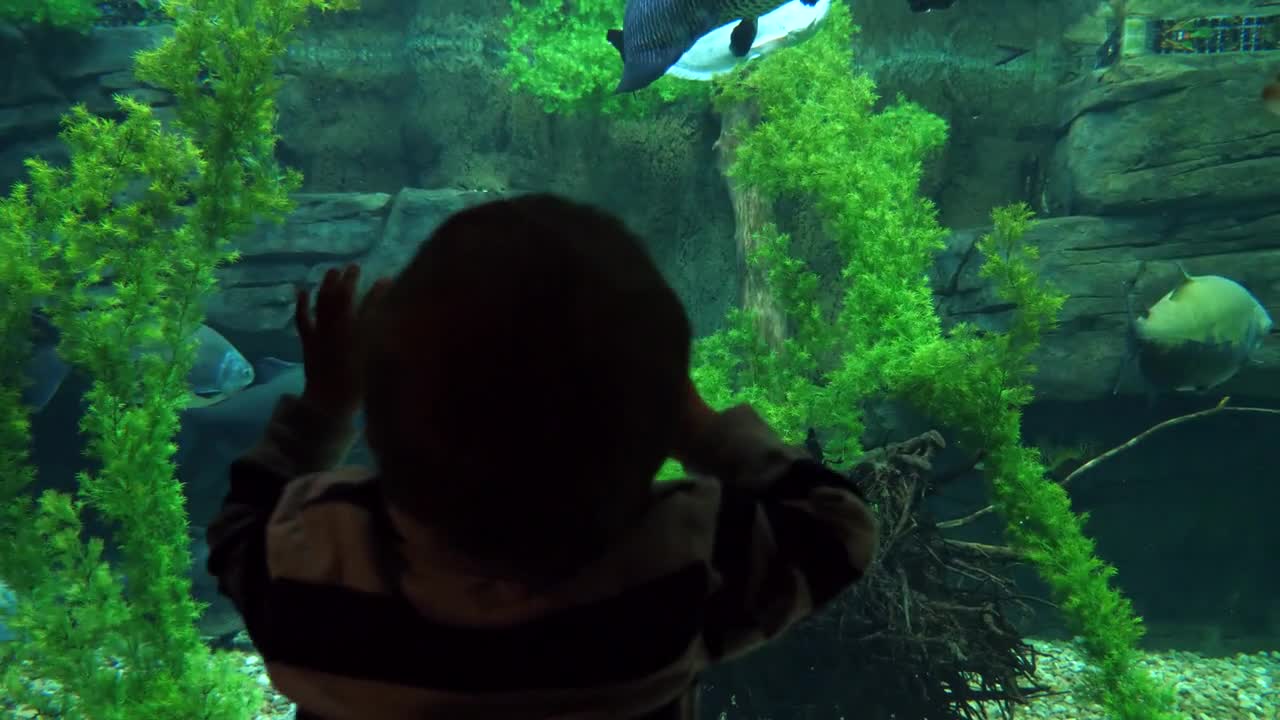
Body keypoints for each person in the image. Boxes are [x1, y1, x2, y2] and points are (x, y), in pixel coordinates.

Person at [206, 194, 879, 719]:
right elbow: (838, 527)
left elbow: (239, 526)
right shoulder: (676, 565)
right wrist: (701, 427)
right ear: (655, 428)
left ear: (378, 427)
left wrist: (324, 408)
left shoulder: (318, 566)